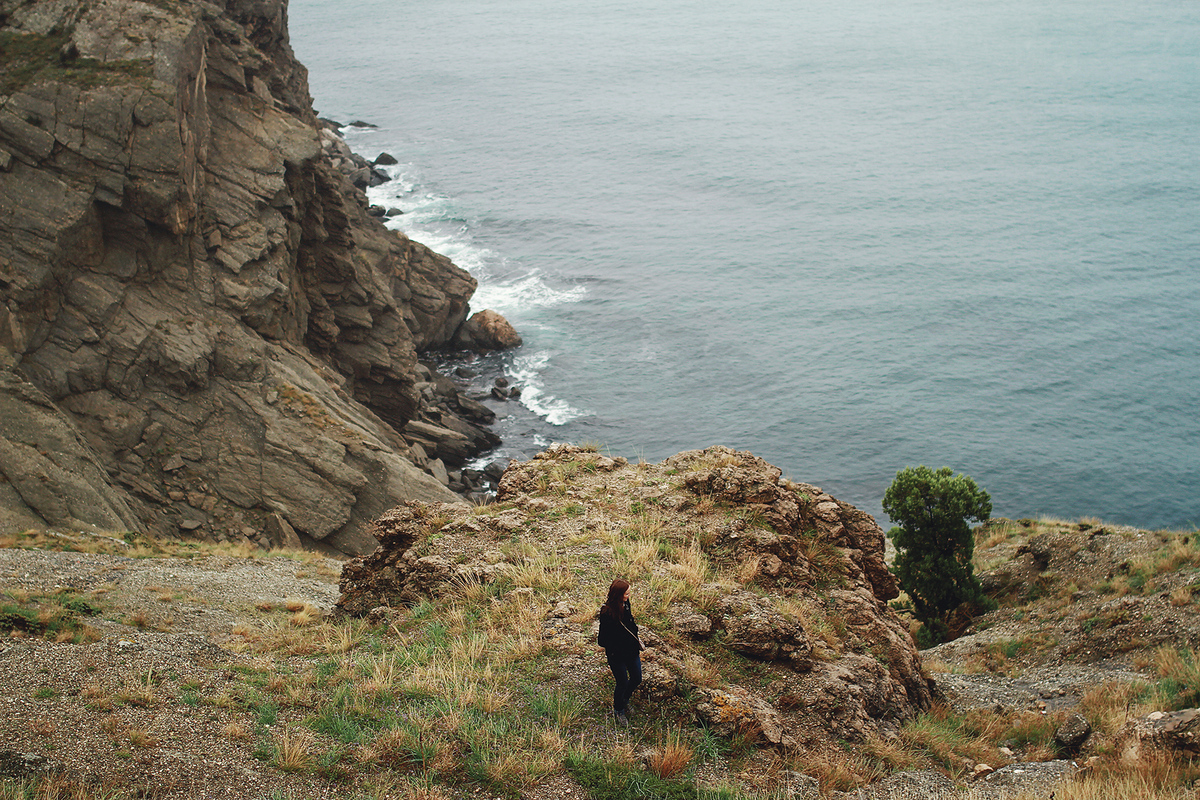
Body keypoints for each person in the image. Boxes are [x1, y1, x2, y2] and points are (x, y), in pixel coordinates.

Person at [596, 578, 643, 725]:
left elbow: (630, 622)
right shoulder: (606, 613)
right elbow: (602, 640)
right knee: (622, 682)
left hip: (631, 651)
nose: (629, 595)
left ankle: (625, 699)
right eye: (626, 593)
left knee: (637, 678)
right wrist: (617, 647)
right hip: (617, 656)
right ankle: (619, 710)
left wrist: (635, 635)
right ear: (618, 594)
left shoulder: (626, 604)